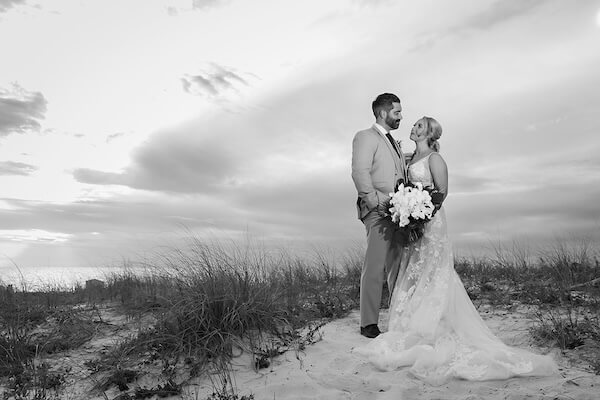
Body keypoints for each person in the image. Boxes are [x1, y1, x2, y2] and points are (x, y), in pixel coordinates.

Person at [354, 116, 558, 384]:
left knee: (435, 271)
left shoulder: (435, 160)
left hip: (429, 222)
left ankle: (435, 323)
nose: (412, 127)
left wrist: (421, 216)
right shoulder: (408, 159)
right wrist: (408, 214)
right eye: (414, 124)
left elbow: (442, 192)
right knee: (414, 270)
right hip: (410, 223)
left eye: (419, 126)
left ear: (430, 134)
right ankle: (413, 321)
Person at [351, 93, 408, 339]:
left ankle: (398, 317)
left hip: (400, 213)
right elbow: (360, 172)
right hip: (378, 211)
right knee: (374, 267)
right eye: (397, 112)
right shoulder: (365, 137)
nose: (401, 117)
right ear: (383, 113)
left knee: (397, 266)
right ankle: (368, 324)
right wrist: (375, 203)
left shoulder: (394, 142)